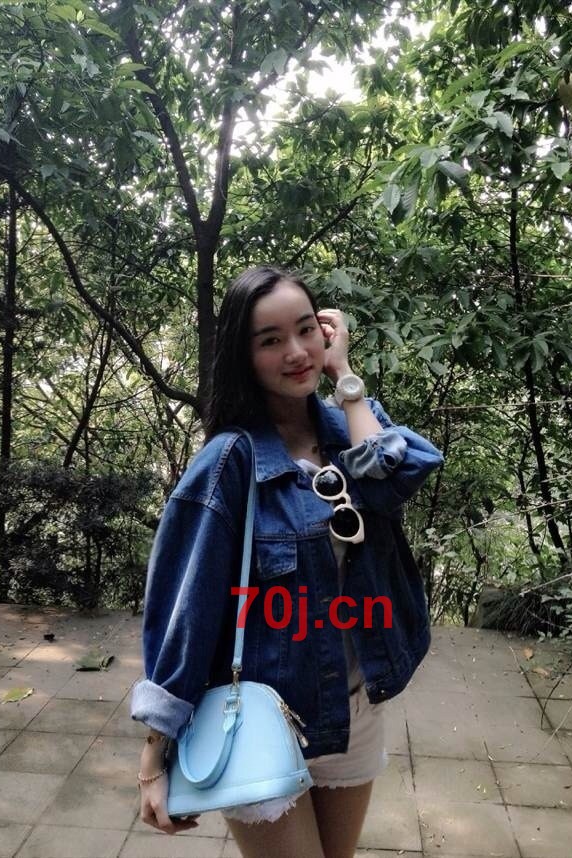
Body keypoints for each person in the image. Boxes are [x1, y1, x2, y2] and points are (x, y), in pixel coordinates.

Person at [130, 265, 443, 858]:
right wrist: (155, 752)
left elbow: (398, 473)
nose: (296, 352)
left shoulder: (349, 431)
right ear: (244, 357)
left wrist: (345, 377)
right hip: (258, 721)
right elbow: (186, 608)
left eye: (306, 330)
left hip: (353, 711)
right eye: (271, 340)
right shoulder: (229, 462)